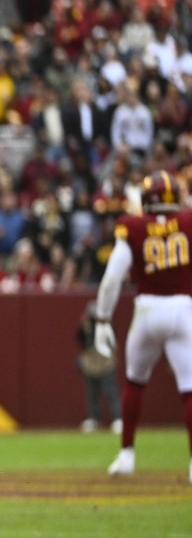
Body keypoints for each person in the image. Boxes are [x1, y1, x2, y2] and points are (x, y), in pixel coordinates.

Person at [96, 171, 192, 483]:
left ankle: (126, 454)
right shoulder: (188, 221)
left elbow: (113, 277)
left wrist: (102, 319)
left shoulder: (134, 226)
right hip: (183, 309)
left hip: (147, 310)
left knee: (135, 381)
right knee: (189, 389)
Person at [76, 303, 121, 434]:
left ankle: (117, 418)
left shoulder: (107, 326)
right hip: (90, 363)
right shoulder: (86, 327)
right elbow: (80, 339)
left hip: (105, 362)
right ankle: (94, 419)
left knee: (111, 392)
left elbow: (112, 343)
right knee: (91, 393)